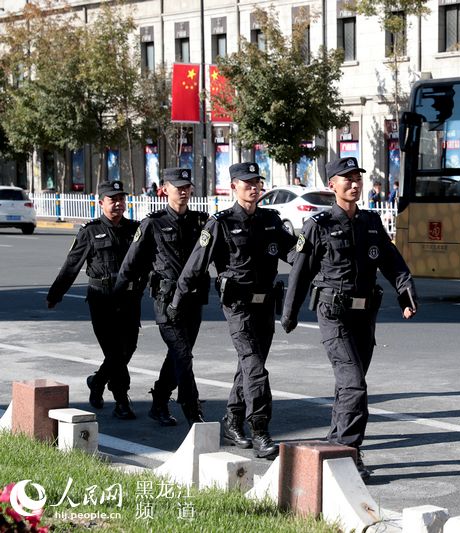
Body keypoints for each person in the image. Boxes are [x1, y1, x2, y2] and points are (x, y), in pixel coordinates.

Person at [281, 156, 418, 480]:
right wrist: (289, 314)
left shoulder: (371, 222)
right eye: (347, 178)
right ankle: (348, 454)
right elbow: (300, 273)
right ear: (332, 185)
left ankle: (334, 446)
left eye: (357, 178)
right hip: (334, 315)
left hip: (364, 317)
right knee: (354, 384)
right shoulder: (319, 226)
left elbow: (393, 263)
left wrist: (405, 294)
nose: (354, 183)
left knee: (348, 387)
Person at [169, 162, 296, 458]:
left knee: (248, 366)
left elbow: (292, 253)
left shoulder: (271, 220)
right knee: (254, 366)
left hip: (266, 305)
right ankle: (261, 430)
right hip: (238, 307)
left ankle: (233, 420)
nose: (253, 188)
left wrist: (315, 263)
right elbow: (195, 264)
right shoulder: (221, 223)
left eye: (257, 183)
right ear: (233, 187)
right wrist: (177, 300)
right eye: (247, 183)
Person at [114, 168, 209, 426]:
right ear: (164, 189)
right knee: (182, 355)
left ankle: (159, 402)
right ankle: (192, 409)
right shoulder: (153, 224)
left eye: (187, 186)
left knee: (180, 354)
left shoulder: (201, 222)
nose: (183, 190)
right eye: (177, 186)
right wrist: (117, 297)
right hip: (166, 301)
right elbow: (130, 264)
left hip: (193, 299)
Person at [46, 180, 143, 420]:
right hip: (102, 301)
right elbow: (71, 265)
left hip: (129, 299)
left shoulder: (135, 230)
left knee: (127, 348)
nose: (118, 204)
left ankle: (97, 381)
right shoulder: (90, 231)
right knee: (115, 352)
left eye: (121, 199)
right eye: (113, 200)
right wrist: (56, 293)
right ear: (101, 203)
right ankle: (122, 400)